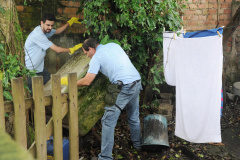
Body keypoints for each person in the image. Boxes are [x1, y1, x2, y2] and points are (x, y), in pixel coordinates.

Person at [77, 38, 142, 160]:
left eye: (86, 53)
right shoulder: (113, 45)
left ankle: (105, 157)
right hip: (136, 81)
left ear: (91, 49)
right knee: (133, 117)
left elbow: (87, 81)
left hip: (120, 85)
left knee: (107, 121)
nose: (87, 56)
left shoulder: (96, 57)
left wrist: (71, 83)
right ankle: (138, 146)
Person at [25, 12, 82, 93]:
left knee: (50, 87)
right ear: (42, 22)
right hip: (31, 72)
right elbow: (57, 49)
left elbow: (58, 31)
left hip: (40, 69)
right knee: (34, 95)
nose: (50, 28)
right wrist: (72, 49)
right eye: (48, 25)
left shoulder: (45, 30)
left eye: (52, 25)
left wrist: (69, 23)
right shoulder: (38, 35)